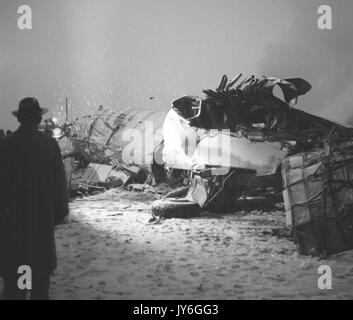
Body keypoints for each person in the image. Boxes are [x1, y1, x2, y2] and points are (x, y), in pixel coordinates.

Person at [0, 97, 69, 300]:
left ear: (20, 118)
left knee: (17, 283)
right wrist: (57, 215)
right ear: (39, 118)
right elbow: (59, 184)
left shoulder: (5, 146)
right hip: (40, 227)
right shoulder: (48, 145)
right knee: (39, 285)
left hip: (13, 227)